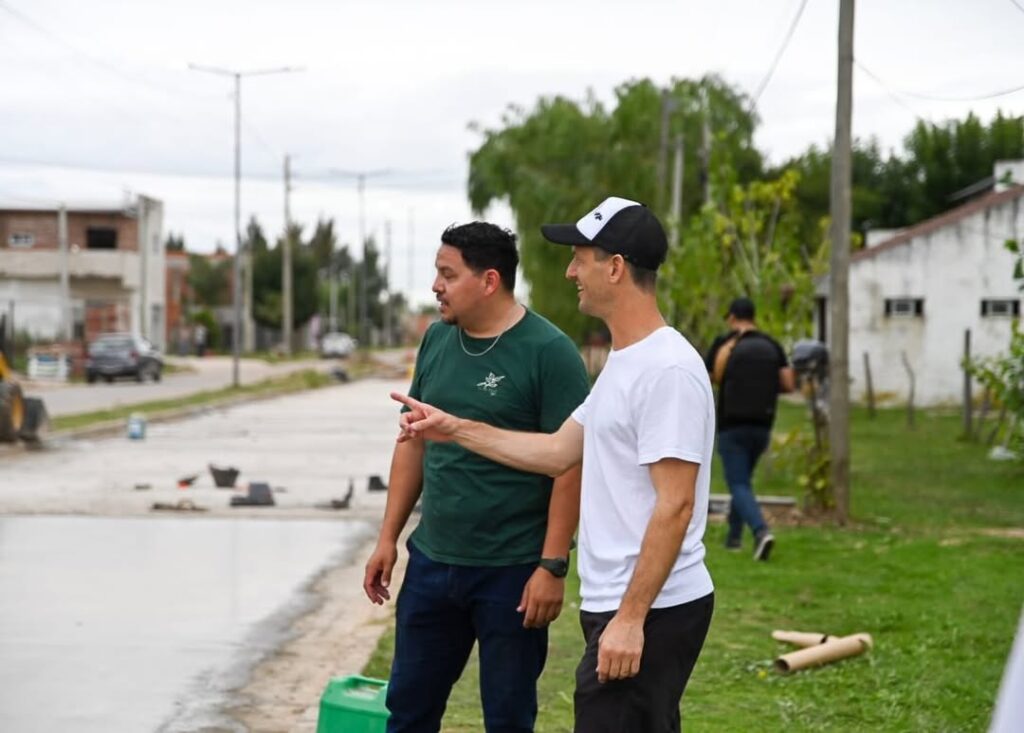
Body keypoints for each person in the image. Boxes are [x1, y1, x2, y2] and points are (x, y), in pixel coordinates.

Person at [393, 197, 715, 733]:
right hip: (621, 601)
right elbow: (555, 453)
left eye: (580, 258)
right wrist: (452, 427)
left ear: (615, 267)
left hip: (652, 606)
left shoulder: (668, 370)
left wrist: (631, 618)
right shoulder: (625, 361)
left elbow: (676, 504)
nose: (570, 272)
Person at [362, 221, 590, 733]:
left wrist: (552, 566)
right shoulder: (437, 340)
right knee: (408, 713)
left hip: (511, 571)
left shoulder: (549, 353)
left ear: (490, 281)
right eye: (436, 273)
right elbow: (413, 441)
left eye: (448, 274)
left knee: (508, 719)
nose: (436, 286)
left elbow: (570, 464)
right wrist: (388, 539)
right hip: (432, 565)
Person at [704, 297, 795, 561]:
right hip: (763, 426)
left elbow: (708, 376)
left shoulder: (725, 344)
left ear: (732, 317)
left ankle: (760, 531)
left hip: (732, 425)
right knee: (742, 482)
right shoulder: (771, 345)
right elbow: (788, 383)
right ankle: (733, 538)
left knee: (738, 482)